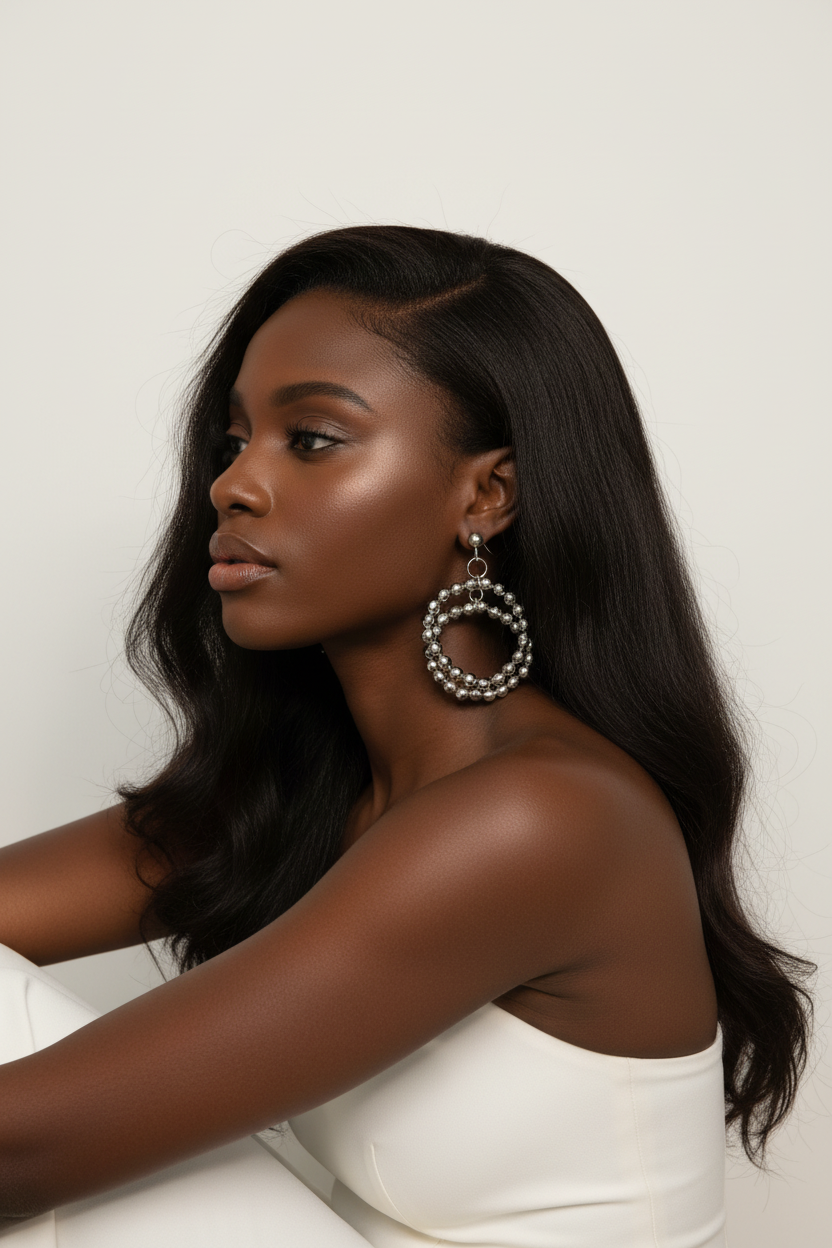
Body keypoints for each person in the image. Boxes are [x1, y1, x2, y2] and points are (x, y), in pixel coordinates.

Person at [0, 225, 813, 1247]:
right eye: (232, 440)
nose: (232, 486)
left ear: (486, 495)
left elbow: (20, 1149)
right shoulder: (307, 790)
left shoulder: (542, 818)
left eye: (312, 440)